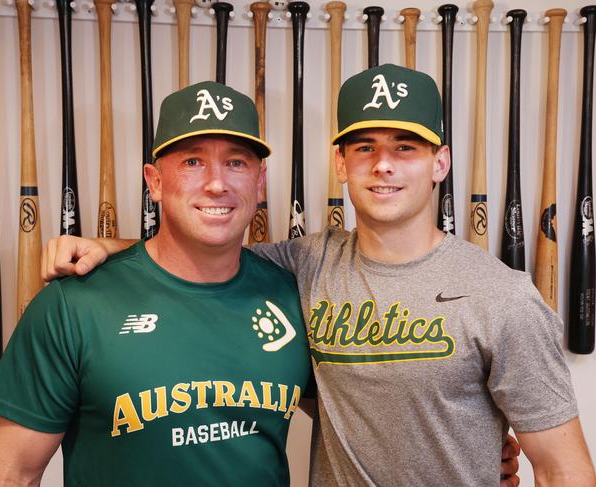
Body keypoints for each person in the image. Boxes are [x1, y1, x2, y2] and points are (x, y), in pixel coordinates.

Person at [40, 65, 552, 486]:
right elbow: (202, 245)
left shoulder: (501, 295)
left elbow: (560, 468)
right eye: (365, 148)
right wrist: (107, 246)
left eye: (405, 148)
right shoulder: (305, 265)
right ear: (340, 162)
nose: (383, 166)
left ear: (440, 163)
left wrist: (480, 451)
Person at [0, 81, 316, 486]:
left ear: (259, 184)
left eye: (236, 162)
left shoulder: (294, 297)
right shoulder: (74, 306)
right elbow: (9, 474)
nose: (217, 183)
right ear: (154, 182)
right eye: (192, 162)